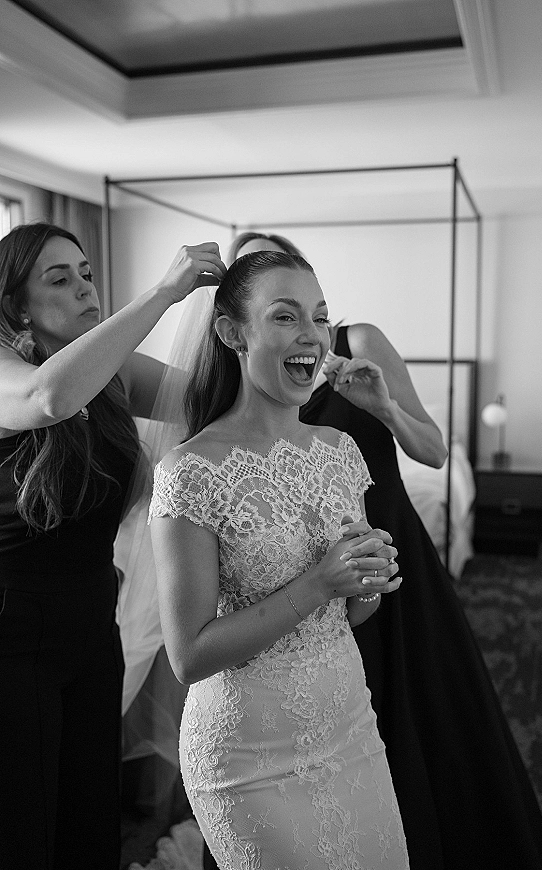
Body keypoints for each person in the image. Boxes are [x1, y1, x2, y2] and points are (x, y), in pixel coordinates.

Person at [230, 232, 542, 870]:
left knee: (415, 718)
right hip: (303, 569)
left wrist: (383, 408)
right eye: (278, 307)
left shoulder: (358, 344)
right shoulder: (248, 379)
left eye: (311, 308)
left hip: (389, 556)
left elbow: (433, 452)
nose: (305, 327)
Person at [148, 250, 409, 869]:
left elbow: (350, 616)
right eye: (286, 317)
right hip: (247, 754)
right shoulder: (190, 472)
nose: (311, 337)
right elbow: (189, 656)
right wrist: (321, 583)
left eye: (319, 319)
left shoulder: (340, 451)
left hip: (348, 725)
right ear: (232, 332)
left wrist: (366, 580)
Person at [0, 222, 226, 870]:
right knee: (20, 824)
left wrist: (296, 350)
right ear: (17, 306)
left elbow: (209, 399)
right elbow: (48, 396)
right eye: (59, 279)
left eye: (86, 274)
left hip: (93, 624)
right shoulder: (8, 371)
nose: (83, 289)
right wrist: (163, 293)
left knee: (87, 817)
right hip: (11, 634)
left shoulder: (114, 372)